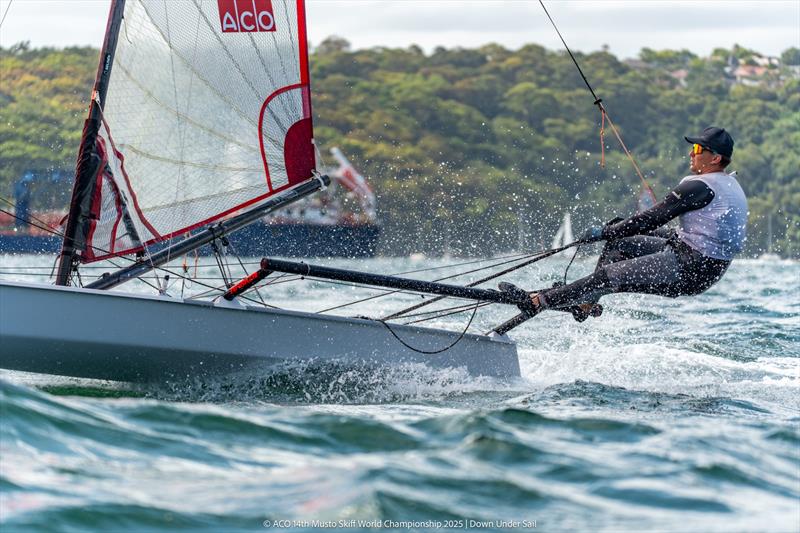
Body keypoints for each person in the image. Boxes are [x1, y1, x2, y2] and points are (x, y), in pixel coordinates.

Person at [518, 126, 748, 320]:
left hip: (690, 267)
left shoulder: (700, 187)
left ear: (715, 158)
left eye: (698, 149)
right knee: (620, 244)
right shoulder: (727, 184)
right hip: (698, 263)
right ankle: (585, 303)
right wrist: (617, 232)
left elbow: (649, 219)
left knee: (606, 276)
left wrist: (605, 231)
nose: (691, 153)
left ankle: (538, 301)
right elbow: (695, 233)